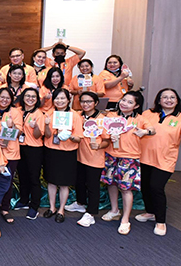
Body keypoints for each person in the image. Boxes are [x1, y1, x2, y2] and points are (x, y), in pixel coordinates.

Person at [101, 91, 153, 234]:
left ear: (136, 106)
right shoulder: (111, 116)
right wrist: (110, 136)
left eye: (130, 102)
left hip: (129, 157)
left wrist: (145, 132)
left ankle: (125, 219)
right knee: (111, 183)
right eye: (123, 100)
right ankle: (114, 210)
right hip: (111, 155)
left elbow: (152, 129)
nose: (124, 104)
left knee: (126, 188)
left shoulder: (140, 119)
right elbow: (103, 132)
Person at [137, 88, 181, 236]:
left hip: (165, 159)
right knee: (145, 187)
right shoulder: (148, 114)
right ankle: (150, 212)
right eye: (165, 97)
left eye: (172, 97)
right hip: (145, 157)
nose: (169, 100)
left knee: (156, 187)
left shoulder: (179, 117)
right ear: (159, 100)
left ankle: (161, 221)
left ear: (177, 100)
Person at [42, 88, 82, 223]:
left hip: (68, 152)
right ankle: (52, 207)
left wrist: (69, 135)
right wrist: (47, 125)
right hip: (51, 150)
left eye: (63, 98)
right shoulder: (49, 114)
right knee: (51, 181)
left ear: (69, 100)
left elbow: (78, 138)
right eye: (57, 98)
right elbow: (47, 135)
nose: (60, 101)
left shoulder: (74, 116)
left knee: (64, 183)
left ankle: (61, 210)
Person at [70, 91, 109, 227]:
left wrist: (99, 146)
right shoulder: (78, 116)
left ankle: (91, 213)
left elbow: (107, 140)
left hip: (94, 158)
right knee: (79, 182)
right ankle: (80, 203)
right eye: (83, 101)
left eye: (89, 101)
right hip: (79, 156)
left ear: (96, 103)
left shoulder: (102, 119)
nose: (85, 104)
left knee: (92, 186)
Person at [0, 88, 22, 224]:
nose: (4, 100)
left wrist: (12, 127)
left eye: (7, 98)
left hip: (10, 152)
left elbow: (19, 133)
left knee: (7, 181)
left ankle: (5, 208)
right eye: (2, 97)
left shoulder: (15, 112)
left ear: (11, 99)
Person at [13, 88, 44, 220]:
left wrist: (35, 126)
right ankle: (24, 200)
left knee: (33, 177)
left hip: (34, 149)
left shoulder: (39, 114)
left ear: (37, 100)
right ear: (23, 98)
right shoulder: (18, 111)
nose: (30, 99)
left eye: (33, 97)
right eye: (27, 96)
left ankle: (34, 206)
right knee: (22, 175)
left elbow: (37, 136)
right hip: (20, 146)